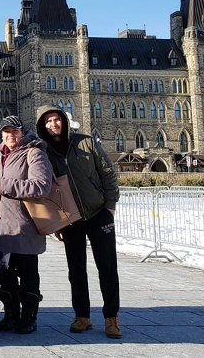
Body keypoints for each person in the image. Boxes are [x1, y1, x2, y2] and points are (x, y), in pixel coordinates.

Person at [35, 105, 122, 339]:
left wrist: (110, 206)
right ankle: (82, 316)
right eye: (48, 122)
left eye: (56, 120)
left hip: (98, 213)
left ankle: (111, 318)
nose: (53, 125)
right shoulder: (43, 152)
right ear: (42, 126)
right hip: (71, 219)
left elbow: (107, 172)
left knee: (107, 268)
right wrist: (57, 222)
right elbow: (47, 191)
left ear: (64, 120)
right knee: (76, 270)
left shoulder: (86, 142)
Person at [0, 115, 53, 334]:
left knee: (27, 276)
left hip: (25, 228)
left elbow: (41, 186)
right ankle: (11, 315)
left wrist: (5, 185)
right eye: (6, 132)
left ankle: (28, 317)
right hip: (2, 230)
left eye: (15, 131)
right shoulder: (0, 155)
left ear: (22, 132)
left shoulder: (34, 153)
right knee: (5, 277)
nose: (11, 136)